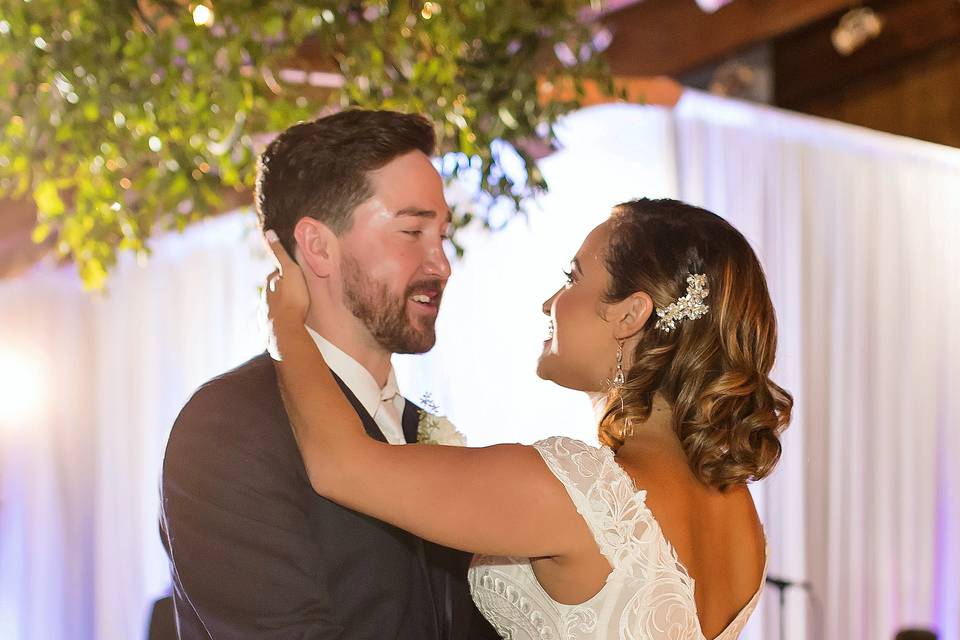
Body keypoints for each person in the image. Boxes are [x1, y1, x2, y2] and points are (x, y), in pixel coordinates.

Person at [263, 197, 793, 639]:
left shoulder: (577, 492)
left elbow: (341, 466)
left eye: (573, 277)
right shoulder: (740, 517)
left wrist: (286, 319)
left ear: (631, 313)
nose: (550, 302)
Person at [160, 109, 499, 639]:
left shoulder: (419, 427)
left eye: (442, 234)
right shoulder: (228, 428)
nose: (441, 264)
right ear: (318, 247)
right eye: (412, 231)